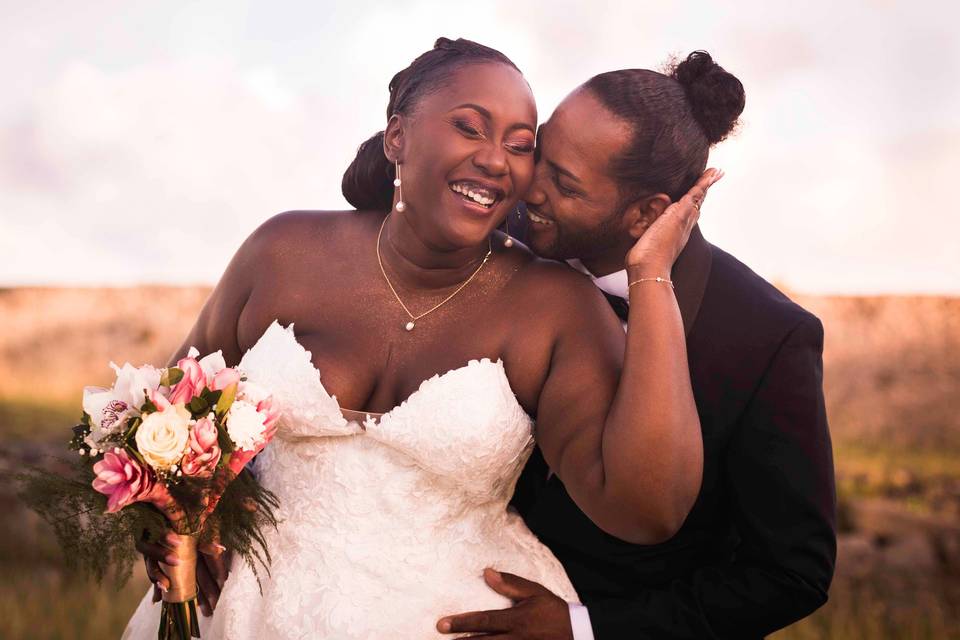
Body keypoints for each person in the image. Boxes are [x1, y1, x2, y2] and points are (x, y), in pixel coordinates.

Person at [125, 38, 713, 639]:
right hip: (241, 612)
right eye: (470, 128)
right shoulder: (281, 252)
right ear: (397, 136)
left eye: (519, 146)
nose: (495, 159)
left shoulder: (556, 308)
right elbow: (164, 419)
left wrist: (651, 275)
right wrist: (181, 514)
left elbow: (648, 509)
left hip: (448, 618)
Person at [438, 52, 837, 640]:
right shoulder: (496, 236)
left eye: (564, 183)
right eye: (539, 154)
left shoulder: (767, 338)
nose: (529, 187)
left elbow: (791, 573)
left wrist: (584, 629)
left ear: (646, 213)